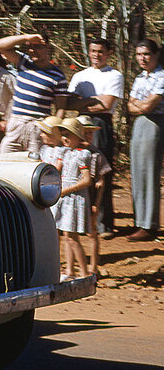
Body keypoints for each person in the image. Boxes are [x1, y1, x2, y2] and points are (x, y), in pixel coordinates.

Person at [67, 37, 124, 234]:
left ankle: (104, 223)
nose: (96, 55)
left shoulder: (115, 75)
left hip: (101, 123)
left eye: (100, 51)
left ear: (108, 53)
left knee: (101, 172)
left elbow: (107, 105)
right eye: (93, 51)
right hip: (80, 125)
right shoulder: (80, 76)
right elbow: (69, 104)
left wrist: (84, 101)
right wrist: (93, 100)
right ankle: (83, 224)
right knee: (81, 172)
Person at [0, 32, 73, 154]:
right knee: (5, 161)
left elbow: (61, 107)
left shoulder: (58, 76)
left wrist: (50, 130)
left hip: (37, 126)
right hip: (17, 122)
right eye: (30, 47)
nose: (32, 50)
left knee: (33, 165)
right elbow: (0, 45)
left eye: (37, 47)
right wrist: (26, 37)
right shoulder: (23, 63)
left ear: (47, 47)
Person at [127, 39, 164, 242]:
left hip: (155, 124)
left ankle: (149, 225)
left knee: (149, 173)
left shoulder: (162, 76)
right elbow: (130, 106)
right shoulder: (140, 77)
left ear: (156, 54)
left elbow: (148, 106)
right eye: (139, 54)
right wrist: (140, 104)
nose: (143, 58)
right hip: (139, 124)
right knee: (137, 172)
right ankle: (139, 221)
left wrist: (139, 104)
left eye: (147, 54)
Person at [54, 118, 92, 280]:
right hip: (64, 196)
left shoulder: (83, 155)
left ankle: (84, 274)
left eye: (68, 135)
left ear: (78, 136)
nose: (65, 138)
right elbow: (56, 170)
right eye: (62, 135)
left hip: (74, 197)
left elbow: (86, 180)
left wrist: (66, 189)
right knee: (66, 235)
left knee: (72, 237)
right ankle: (70, 271)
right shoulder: (65, 153)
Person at [77, 115, 110, 275]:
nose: (88, 136)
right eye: (84, 132)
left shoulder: (96, 154)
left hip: (90, 197)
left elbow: (101, 181)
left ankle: (93, 267)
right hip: (75, 197)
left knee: (92, 232)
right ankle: (75, 265)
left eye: (90, 133)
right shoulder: (71, 152)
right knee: (71, 233)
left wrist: (96, 202)